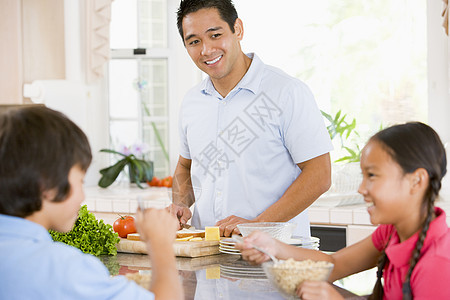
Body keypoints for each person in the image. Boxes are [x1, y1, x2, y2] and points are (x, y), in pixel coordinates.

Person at [169, 0, 333, 238]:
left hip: (275, 258)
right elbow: (186, 165)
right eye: (194, 41)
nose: (206, 50)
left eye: (215, 35)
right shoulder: (192, 102)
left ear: (238, 29)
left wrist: (257, 224)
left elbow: (320, 174)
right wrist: (180, 204)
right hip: (210, 257)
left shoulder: (286, 92)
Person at [236, 122, 450, 299]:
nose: (361, 188)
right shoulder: (392, 232)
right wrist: (273, 246)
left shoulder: (438, 263)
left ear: (417, 181)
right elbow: (333, 264)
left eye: (372, 175)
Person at [0, 106, 183, 300]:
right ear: (47, 185)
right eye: (80, 181)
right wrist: (161, 245)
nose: (82, 196)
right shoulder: (64, 269)